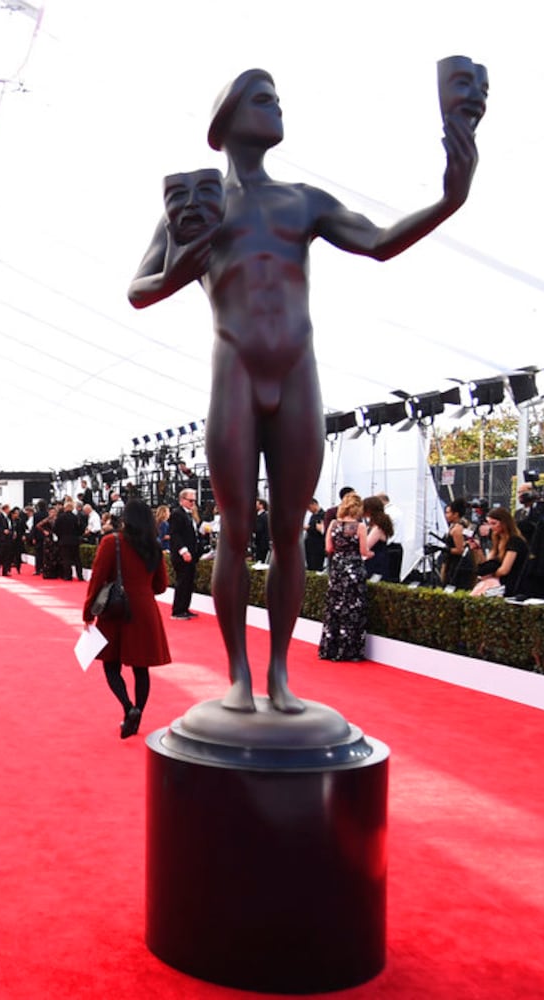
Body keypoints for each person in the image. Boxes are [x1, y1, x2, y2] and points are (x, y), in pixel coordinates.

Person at [128, 67, 477, 712]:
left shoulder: (302, 201)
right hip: (233, 372)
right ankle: (238, 676)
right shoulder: (199, 202)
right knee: (236, 530)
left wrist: (450, 196)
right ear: (228, 120)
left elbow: (376, 241)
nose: (277, 108)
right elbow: (139, 290)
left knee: (288, 533)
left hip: (297, 375)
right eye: (264, 99)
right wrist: (186, 261)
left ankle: (279, 675)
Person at [83, 499, 173, 739]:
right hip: (145, 611)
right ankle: (138, 714)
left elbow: (97, 580)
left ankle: (127, 707)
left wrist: (88, 612)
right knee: (141, 668)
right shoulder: (153, 546)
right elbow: (162, 586)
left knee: (110, 665)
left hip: (115, 611)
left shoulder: (111, 542)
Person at [318, 493, 373, 661]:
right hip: (354, 571)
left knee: (335, 607)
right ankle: (349, 650)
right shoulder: (360, 527)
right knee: (352, 609)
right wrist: (371, 553)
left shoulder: (334, 524)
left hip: (337, 570)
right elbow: (364, 551)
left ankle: (330, 649)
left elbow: (328, 548)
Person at [468, 507, 528, 598]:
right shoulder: (497, 539)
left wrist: (490, 574)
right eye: (489, 523)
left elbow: (504, 570)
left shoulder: (515, 541)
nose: (491, 527)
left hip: (511, 584)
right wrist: (478, 550)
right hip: (497, 583)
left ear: (504, 523)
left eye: (494, 523)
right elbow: (487, 564)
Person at [169, 488, 200, 620]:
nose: (193, 503)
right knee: (182, 581)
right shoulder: (177, 514)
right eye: (190, 500)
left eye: (194, 500)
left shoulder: (190, 514)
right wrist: (184, 551)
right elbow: (175, 535)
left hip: (191, 554)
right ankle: (178, 610)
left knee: (189, 582)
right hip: (182, 555)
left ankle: (185, 608)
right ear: (182, 500)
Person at [440, 498, 477, 589]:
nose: (446, 515)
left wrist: (445, 549)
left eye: (448, 513)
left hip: (457, 566)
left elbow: (460, 550)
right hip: (451, 562)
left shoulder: (457, 529)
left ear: (455, 514)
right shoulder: (455, 526)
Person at [361, 495, 394, 579]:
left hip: (376, 561)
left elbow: (367, 545)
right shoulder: (374, 524)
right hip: (376, 559)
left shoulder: (377, 528)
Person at [54, 498, 83, 581]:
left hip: (63, 540)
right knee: (77, 559)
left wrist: (60, 536)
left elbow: (55, 529)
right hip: (74, 540)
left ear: (65, 508)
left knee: (66, 559)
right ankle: (80, 576)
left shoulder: (60, 518)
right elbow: (80, 529)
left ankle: (68, 576)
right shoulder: (76, 518)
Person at [303, 497, 326, 572]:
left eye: (309, 507)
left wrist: (309, 528)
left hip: (318, 546)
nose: (308, 510)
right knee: (310, 566)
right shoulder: (313, 516)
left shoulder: (323, 515)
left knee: (316, 566)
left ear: (314, 504)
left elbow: (320, 530)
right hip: (310, 545)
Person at [251, 498, 271, 564]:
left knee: (260, 560)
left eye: (257, 503)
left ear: (261, 505)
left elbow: (258, 529)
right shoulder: (263, 515)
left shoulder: (262, 516)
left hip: (262, 543)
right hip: (261, 542)